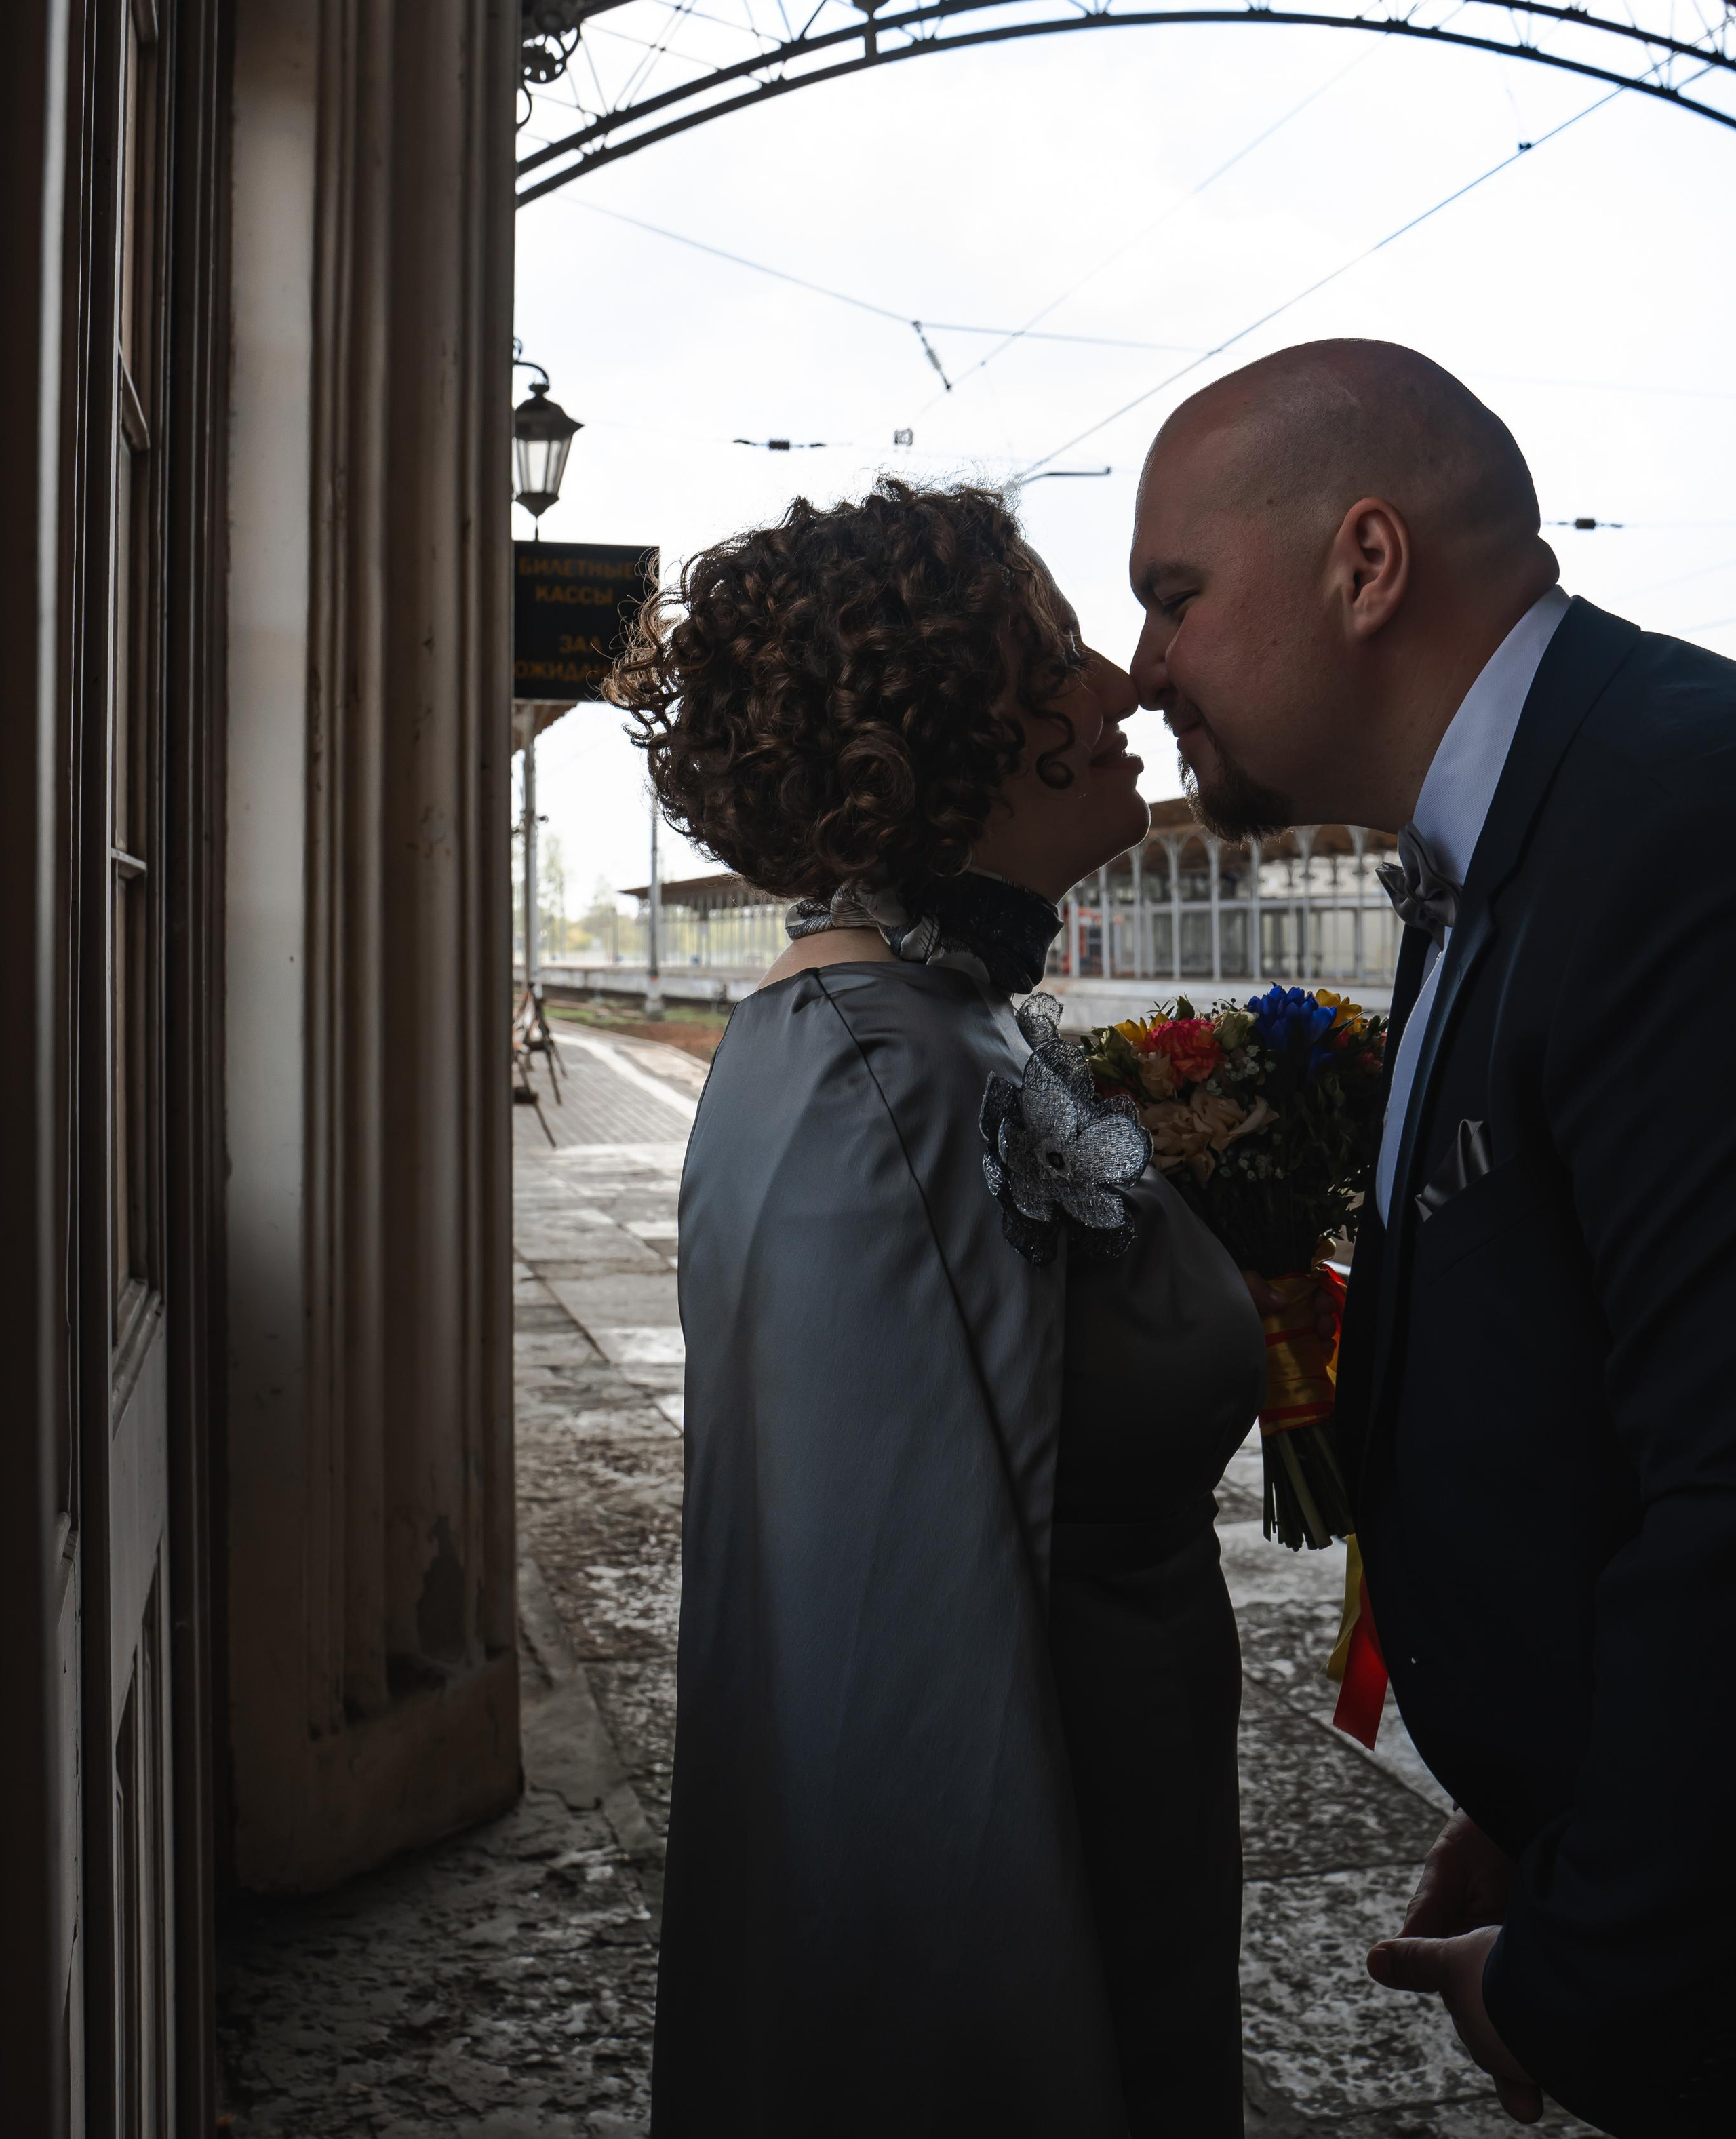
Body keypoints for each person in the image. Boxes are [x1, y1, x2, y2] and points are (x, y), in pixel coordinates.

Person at [1128, 336, 1736, 2139]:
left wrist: (1600, 1965)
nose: (1142, 664)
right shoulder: (1522, 834)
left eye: (1174, 593)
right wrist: (1558, 1796)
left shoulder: (1675, 831)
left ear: (1367, 565)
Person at [612, 479, 1265, 2138]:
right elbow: (894, 1711)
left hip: (1124, 1853)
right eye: (1057, 652)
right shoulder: (874, 1080)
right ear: (942, 719)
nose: (1120, 686)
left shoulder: (932, 1026)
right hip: (1029, 1941)